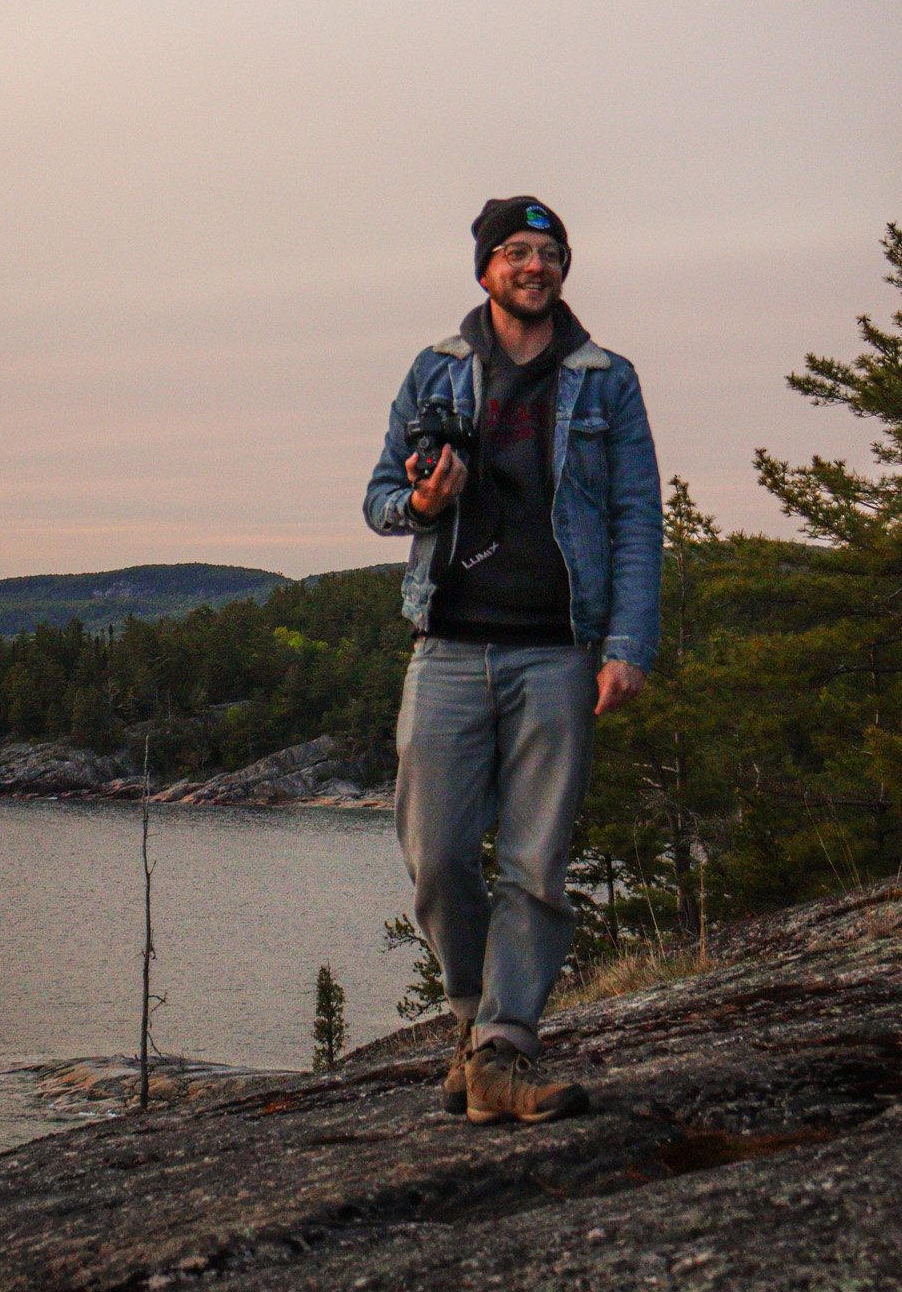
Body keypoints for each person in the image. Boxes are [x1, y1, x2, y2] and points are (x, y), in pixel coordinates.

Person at [364, 196, 662, 1124]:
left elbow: (636, 520)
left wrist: (627, 645)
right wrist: (421, 504)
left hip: (557, 654)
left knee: (534, 865)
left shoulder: (606, 381)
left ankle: (502, 1049)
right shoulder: (435, 370)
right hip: (448, 645)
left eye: (549, 252)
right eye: (516, 251)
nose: (536, 266)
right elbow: (378, 500)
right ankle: (471, 1020)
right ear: (486, 268)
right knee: (437, 856)